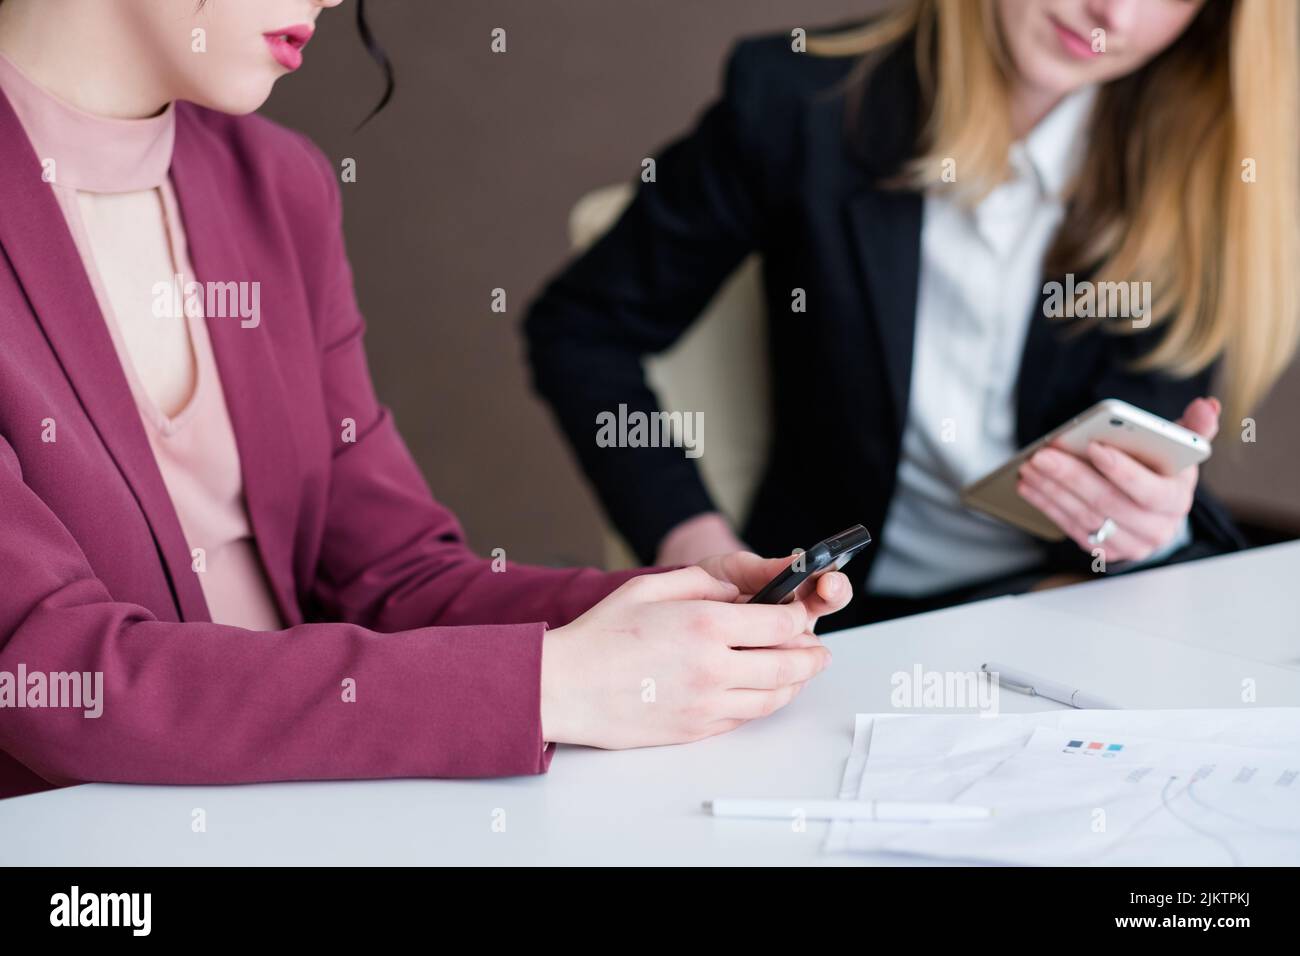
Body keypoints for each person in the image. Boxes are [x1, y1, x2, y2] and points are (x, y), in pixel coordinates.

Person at [0, 0, 852, 800]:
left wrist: (663, 615)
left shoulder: (276, 184)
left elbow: (393, 577)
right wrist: (548, 686)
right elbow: (44, 667)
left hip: (306, 812)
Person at [525, 0, 1300, 629]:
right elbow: (582, 330)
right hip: (844, 622)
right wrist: (695, 543)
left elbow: (1146, 476)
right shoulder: (798, 101)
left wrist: (1149, 531)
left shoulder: (1199, 174)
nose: (1114, 12)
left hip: (1069, 604)